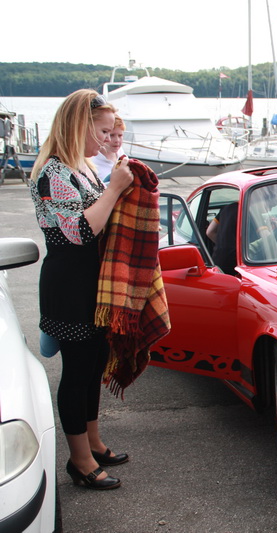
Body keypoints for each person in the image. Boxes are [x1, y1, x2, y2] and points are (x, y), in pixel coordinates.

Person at [30, 89, 134, 491]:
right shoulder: (52, 172)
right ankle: (79, 460)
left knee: (93, 367)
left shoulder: (82, 167)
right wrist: (114, 189)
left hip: (92, 283)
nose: (108, 138)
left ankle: (92, 442)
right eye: (103, 131)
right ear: (79, 126)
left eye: (112, 131)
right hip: (70, 285)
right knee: (76, 372)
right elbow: (79, 231)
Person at [205, 202, 239, 276]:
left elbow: (209, 232)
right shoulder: (251, 210)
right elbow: (265, 236)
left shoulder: (226, 208)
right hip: (236, 264)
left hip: (218, 261)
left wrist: (223, 243)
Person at [91, 114, 125, 184]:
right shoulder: (93, 161)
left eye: (120, 135)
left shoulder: (120, 152)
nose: (117, 140)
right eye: (112, 135)